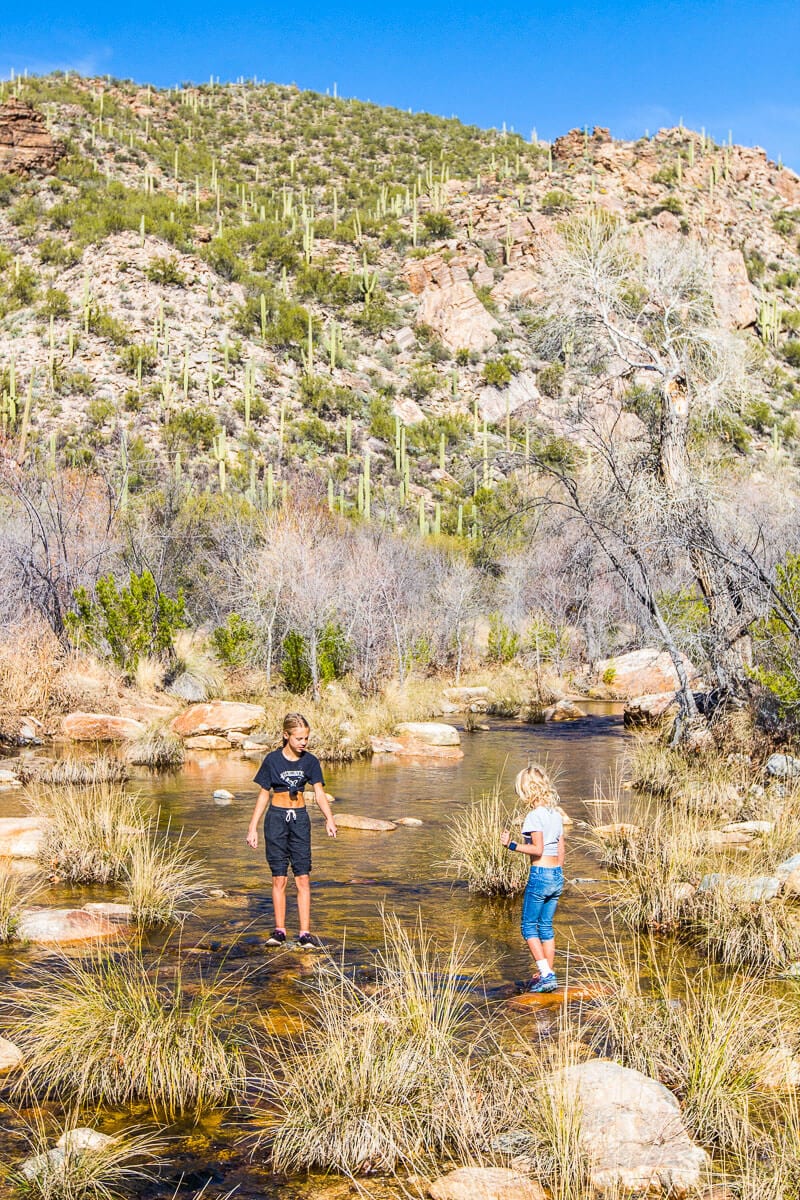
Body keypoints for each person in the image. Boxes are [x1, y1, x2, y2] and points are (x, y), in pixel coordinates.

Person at [246, 712, 337, 947]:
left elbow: (318, 793)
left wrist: (329, 819)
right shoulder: (272, 760)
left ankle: (305, 933)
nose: (303, 743)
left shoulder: (311, 761)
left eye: (306, 738)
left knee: (303, 877)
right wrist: (252, 827)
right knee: (279, 877)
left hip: (300, 820)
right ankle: (279, 931)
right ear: (286, 736)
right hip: (276, 819)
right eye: (299, 738)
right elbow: (264, 794)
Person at [500, 764, 565, 993]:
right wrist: (558, 874)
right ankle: (549, 974)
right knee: (546, 927)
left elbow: (537, 849)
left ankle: (546, 975)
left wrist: (511, 845)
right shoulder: (555, 815)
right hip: (557, 874)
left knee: (528, 928)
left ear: (527, 791)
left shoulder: (534, 816)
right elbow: (560, 849)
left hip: (540, 874)